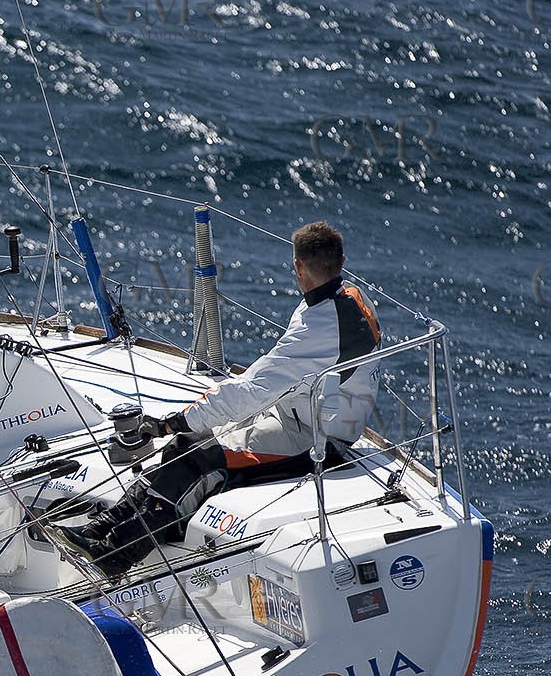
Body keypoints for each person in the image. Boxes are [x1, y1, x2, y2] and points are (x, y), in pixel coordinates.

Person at [61, 220, 381, 577]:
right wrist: (184, 427)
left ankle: (116, 554)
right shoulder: (348, 298)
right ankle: (100, 528)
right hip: (301, 414)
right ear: (341, 261)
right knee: (184, 445)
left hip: (316, 439)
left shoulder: (318, 326)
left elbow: (251, 391)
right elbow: (274, 379)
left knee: (201, 460)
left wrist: (174, 421)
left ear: (298, 265)